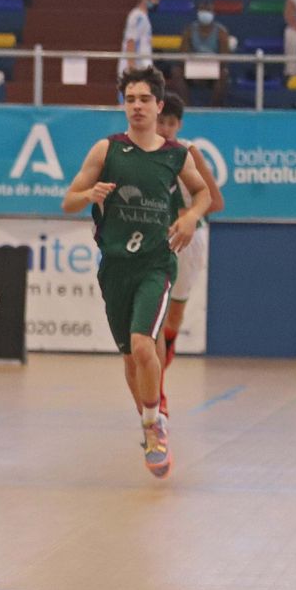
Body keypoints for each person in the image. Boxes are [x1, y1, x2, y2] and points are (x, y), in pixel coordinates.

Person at [62, 65, 210, 480]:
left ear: (159, 105)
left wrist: (191, 217)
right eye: (130, 99)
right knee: (130, 360)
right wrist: (89, 194)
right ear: (123, 105)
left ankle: (154, 425)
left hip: (155, 264)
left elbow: (202, 193)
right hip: (115, 268)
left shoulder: (176, 154)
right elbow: (67, 201)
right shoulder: (106, 151)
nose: (137, 106)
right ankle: (149, 421)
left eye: (145, 99)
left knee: (145, 345)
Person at [153, 94, 225, 418]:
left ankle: (167, 351)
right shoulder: (139, 153)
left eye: (172, 123)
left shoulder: (188, 152)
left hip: (188, 240)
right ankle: (156, 393)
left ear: (179, 125)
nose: (166, 128)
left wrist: (183, 213)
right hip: (153, 238)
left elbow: (216, 202)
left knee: (173, 317)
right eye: (161, 121)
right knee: (148, 316)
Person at [176, 2, 234, 107]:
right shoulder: (189, 30)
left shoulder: (221, 31)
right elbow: (182, 54)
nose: (205, 14)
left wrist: (210, 68)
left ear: (213, 13)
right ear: (198, 13)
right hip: (193, 66)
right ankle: (186, 107)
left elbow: (225, 57)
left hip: (214, 68)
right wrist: (194, 67)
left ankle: (214, 108)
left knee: (224, 74)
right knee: (176, 72)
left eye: (208, 11)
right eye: (202, 10)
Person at [118, 0, 160, 81]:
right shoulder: (136, 17)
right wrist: (132, 68)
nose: (157, 3)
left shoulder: (144, 17)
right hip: (135, 68)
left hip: (143, 67)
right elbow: (131, 42)